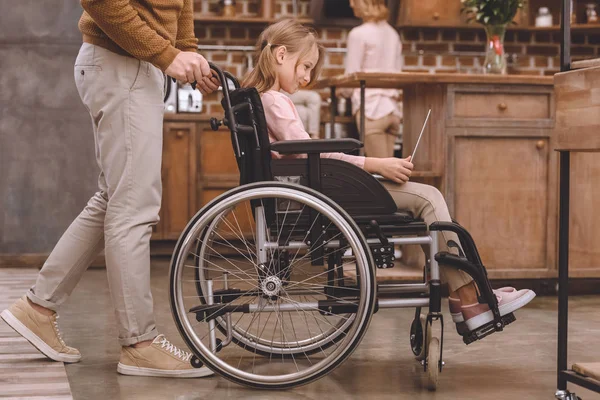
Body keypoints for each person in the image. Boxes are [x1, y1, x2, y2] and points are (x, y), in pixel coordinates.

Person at [241, 18, 536, 335]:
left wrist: (373, 164)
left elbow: (305, 152)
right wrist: (375, 164)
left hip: (313, 187)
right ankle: (468, 298)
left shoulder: (261, 99)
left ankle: (465, 295)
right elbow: (310, 152)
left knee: (424, 197)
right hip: (319, 192)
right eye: (305, 66)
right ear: (282, 55)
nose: (307, 77)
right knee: (428, 198)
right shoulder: (275, 100)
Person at [1, 0, 220, 378]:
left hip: (135, 66)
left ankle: (38, 308)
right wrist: (167, 54)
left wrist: (189, 56)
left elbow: (179, 9)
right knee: (133, 206)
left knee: (114, 199)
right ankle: (139, 344)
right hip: (124, 64)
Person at [340, 0, 402, 158]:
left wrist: (341, 92)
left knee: (380, 174)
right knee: (390, 175)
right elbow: (397, 72)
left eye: (353, 1)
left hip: (370, 110)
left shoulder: (358, 34)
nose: (351, 5)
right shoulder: (393, 34)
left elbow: (351, 77)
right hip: (393, 110)